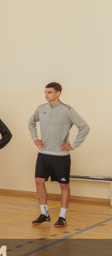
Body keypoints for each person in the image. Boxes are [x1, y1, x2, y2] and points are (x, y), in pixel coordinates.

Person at [29, 82, 89, 227]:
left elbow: (84, 127)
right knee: (38, 181)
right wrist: (35, 138)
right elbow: (31, 122)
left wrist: (73, 145)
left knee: (63, 185)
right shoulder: (41, 108)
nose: (46, 95)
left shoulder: (67, 110)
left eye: (49, 92)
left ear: (58, 93)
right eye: (45, 92)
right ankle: (44, 214)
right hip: (44, 154)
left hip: (60, 156)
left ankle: (62, 216)